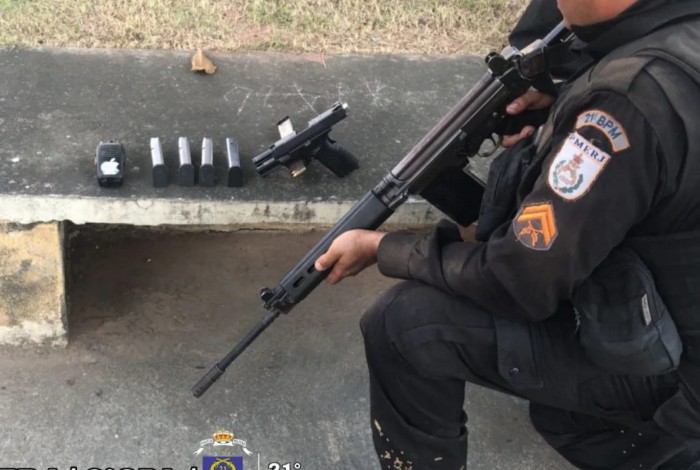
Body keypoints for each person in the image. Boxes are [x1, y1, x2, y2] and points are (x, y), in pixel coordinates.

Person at [314, 0, 700, 468]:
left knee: (405, 324)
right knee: (563, 418)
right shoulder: (674, 40)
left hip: (678, 375)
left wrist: (382, 248)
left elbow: (519, 279)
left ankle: (667, 443)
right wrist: (562, 105)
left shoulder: (625, 105)